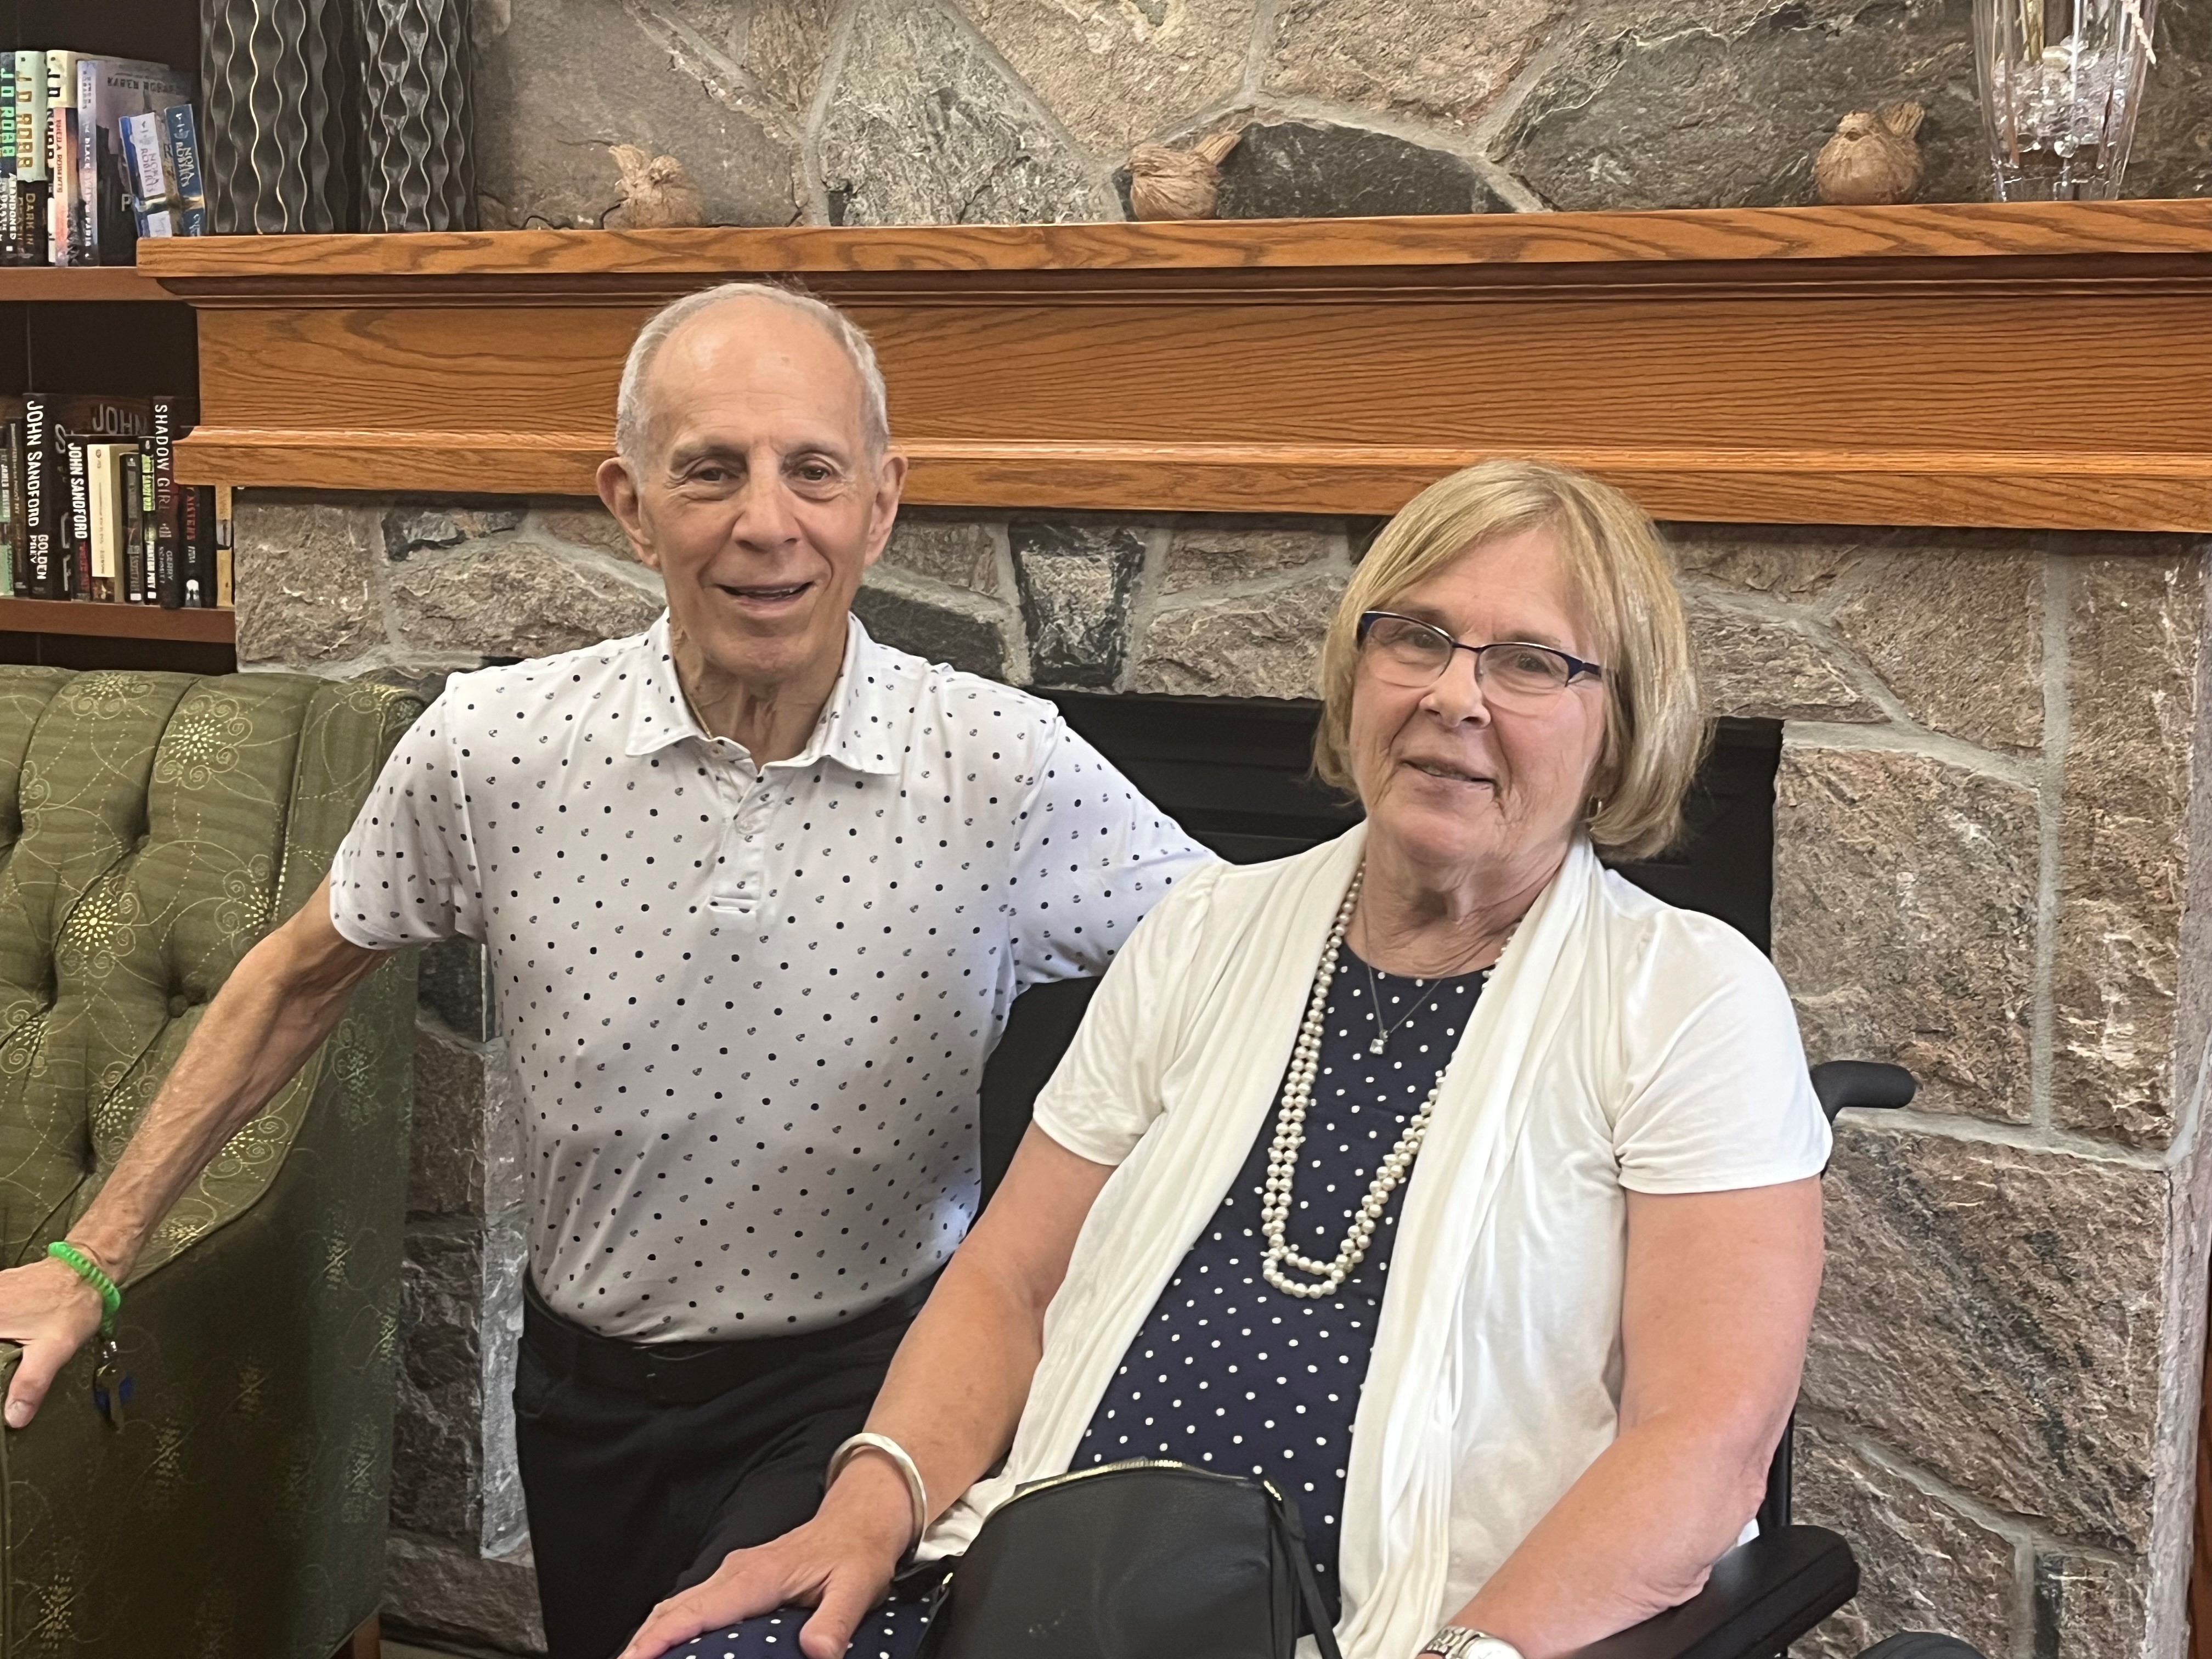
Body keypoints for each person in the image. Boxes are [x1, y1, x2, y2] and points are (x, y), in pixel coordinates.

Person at [0, 283, 1209, 1659]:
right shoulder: (493, 747)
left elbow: (1248, 974)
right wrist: (87, 1260)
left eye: (814, 470)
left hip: (866, 1387)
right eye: (710, 472)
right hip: (582, 1392)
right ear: (629, 506)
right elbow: (296, 977)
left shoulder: (1008, 767)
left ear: (881, 503)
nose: (768, 522)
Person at [617, 458, 1832, 1659]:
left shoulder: (1688, 999)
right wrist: (869, 1508)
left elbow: (1703, 1442)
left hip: (1395, 1634)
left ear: (1622, 723)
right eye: (1418, 637)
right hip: (1041, 1587)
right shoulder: (1205, 931)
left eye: (1530, 662)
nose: (1455, 697)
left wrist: (1470, 1657)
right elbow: (1010, 1282)